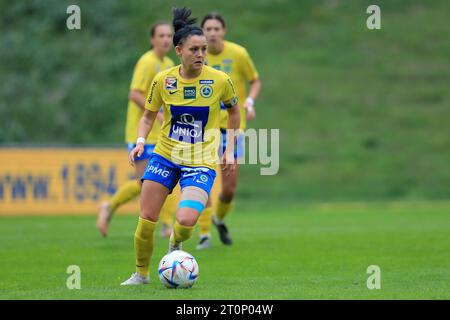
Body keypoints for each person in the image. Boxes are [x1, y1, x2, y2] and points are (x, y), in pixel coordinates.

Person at [120, 7, 240, 285]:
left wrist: (229, 148)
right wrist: (140, 142)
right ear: (179, 51)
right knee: (146, 219)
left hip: (200, 160)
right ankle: (141, 274)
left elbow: (234, 113)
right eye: (194, 49)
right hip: (165, 156)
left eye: (203, 49)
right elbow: (148, 115)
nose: (200, 55)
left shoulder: (220, 80)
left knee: (185, 221)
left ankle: (176, 243)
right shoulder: (164, 80)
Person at [96, 22, 180, 238]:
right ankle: (110, 206)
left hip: (163, 133)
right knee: (144, 183)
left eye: (169, 35)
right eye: (160, 35)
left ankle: (167, 225)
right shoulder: (147, 62)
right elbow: (134, 94)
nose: (165, 39)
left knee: (168, 178)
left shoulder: (170, 63)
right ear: (152, 39)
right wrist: (158, 114)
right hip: (142, 133)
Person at [196, 12, 261, 250]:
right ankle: (204, 234)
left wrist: (250, 102)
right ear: (202, 33)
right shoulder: (196, 56)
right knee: (201, 181)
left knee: (229, 189)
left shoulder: (238, 53)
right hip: (204, 130)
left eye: (216, 29)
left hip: (233, 129)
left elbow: (255, 80)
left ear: (224, 31)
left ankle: (219, 219)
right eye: (208, 29)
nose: (212, 33)